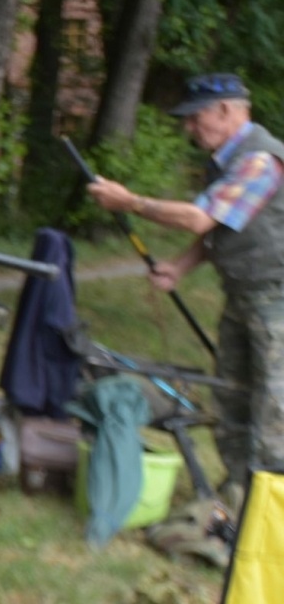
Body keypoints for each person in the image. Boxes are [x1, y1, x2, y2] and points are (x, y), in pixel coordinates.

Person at [87, 73, 284, 496]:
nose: (188, 128)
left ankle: (269, 516)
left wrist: (130, 203)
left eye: (195, 119)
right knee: (231, 399)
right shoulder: (227, 162)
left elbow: (199, 218)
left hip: (277, 300)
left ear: (226, 111)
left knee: (274, 410)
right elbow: (221, 229)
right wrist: (179, 267)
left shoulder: (259, 161)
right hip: (243, 297)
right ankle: (235, 494)